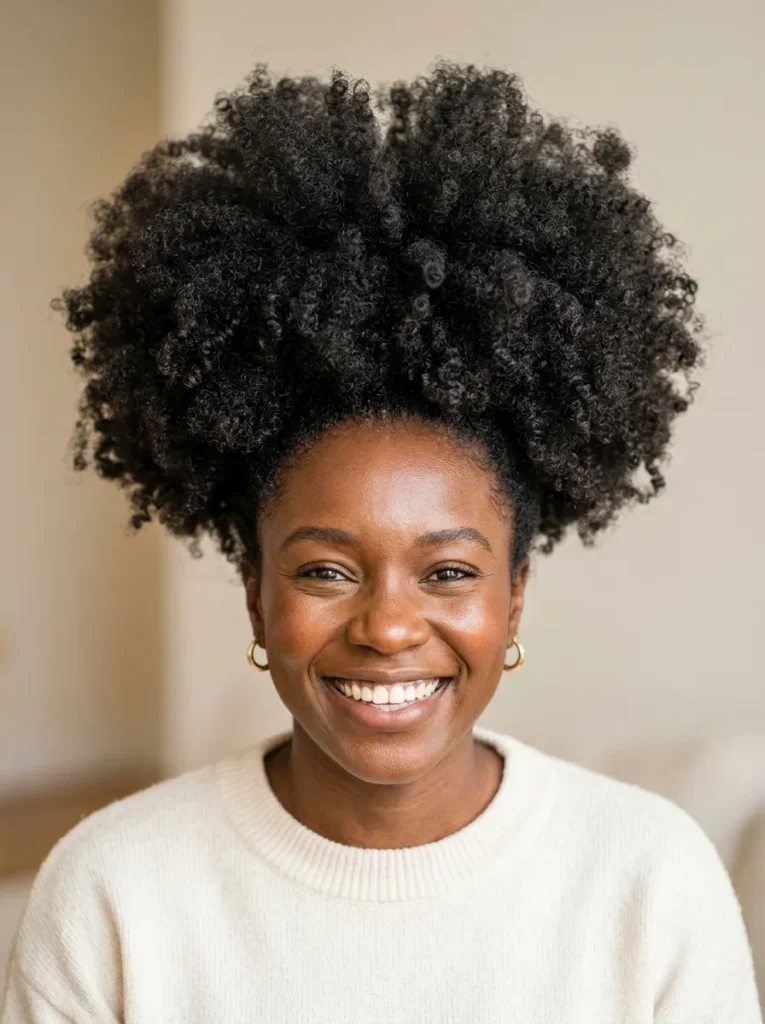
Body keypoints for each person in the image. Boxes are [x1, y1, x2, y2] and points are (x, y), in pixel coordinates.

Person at [2, 58, 760, 1023]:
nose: (389, 626)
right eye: (325, 569)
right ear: (253, 591)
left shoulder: (647, 881)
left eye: (448, 571)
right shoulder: (112, 893)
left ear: (515, 594)